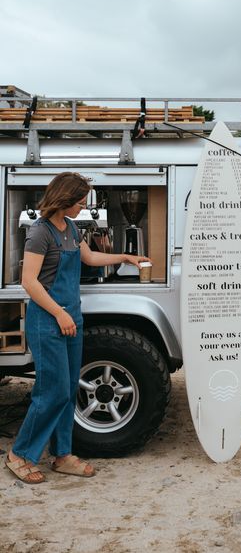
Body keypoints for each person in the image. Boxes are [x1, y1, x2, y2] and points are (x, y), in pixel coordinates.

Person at [5, 172, 150, 484]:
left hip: (71, 318)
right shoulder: (40, 232)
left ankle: (62, 455)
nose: (83, 207)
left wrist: (126, 256)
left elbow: (90, 256)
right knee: (50, 391)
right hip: (48, 321)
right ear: (64, 199)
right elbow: (29, 282)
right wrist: (59, 314)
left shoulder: (70, 228)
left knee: (68, 390)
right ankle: (20, 454)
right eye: (80, 201)